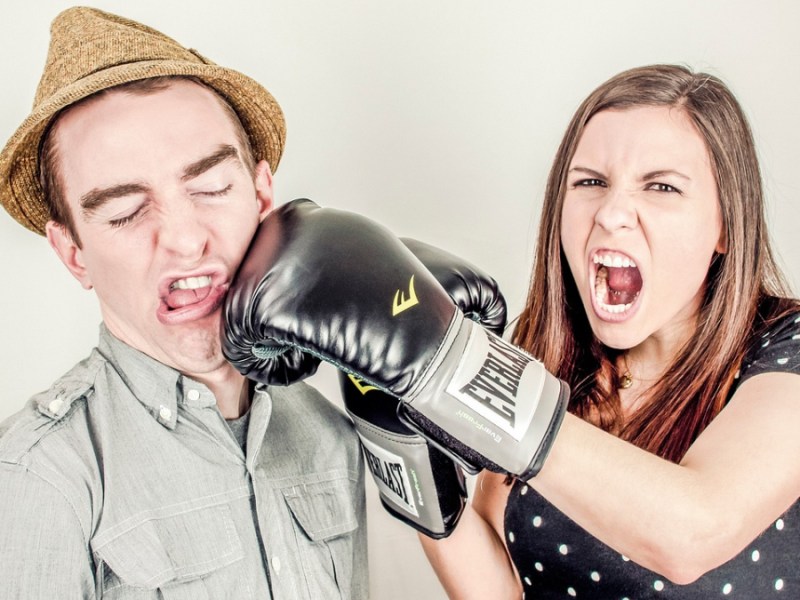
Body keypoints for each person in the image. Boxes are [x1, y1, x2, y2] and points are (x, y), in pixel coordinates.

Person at [221, 64, 800, 599]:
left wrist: (452, 367)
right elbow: (501, 587)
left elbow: (692, 533)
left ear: (726, 226)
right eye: (590, 182)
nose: (611, 212)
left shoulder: (786, 348)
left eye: (662, 186)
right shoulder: (552, 358)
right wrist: (399, 431)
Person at [0, 7, 367, 598]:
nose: (184, 237)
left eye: (212, 188)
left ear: (262, 193)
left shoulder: (330, 433)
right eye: (124, 212)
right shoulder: (37, 478)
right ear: (74, 254)